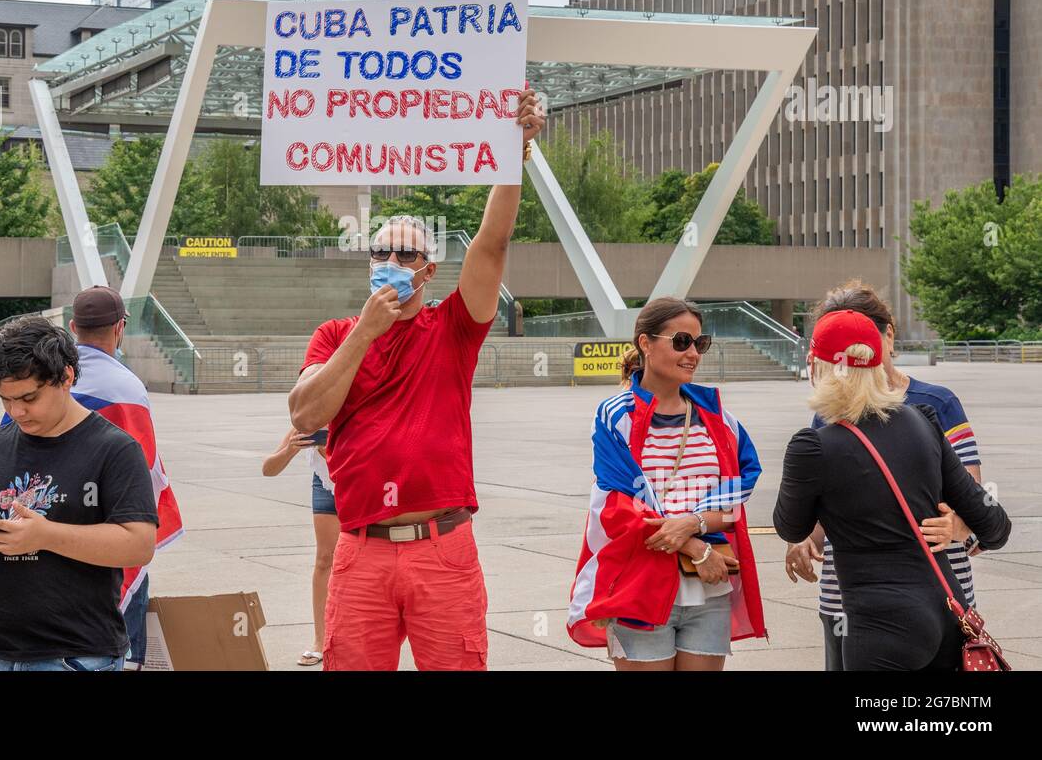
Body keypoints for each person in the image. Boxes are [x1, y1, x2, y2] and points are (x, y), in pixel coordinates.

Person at [288, 88, 545, 671]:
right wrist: (364, 334)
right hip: (361, 549)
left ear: (429, 269)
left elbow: (492, 244)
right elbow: (305, 414)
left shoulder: (452, 325)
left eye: (407, 257)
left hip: (441, 548)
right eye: (382, 253)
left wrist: (514, 150)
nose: (393, 265)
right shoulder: (335, 335)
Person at [773, 309, 1011, 671]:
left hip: (880, 625)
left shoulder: (813, 447)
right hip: (948, 612)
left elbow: (791, 527)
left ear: (819, 367)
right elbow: (995, 526)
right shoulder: (925, 422)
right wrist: (957, 525)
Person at [0, 316, 157, 671]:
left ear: (66, 378)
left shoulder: (115, 449)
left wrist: (45, 535)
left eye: (29, 397)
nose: (17, 411)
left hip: (76, 655)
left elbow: (139, 544)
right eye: (5, 399)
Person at [567, 297, 766, 671]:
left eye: (699, 343)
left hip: (708, 588)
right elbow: (618, 508)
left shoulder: (719, 419)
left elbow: (738, 496)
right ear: (645, 343)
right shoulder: (616, 416)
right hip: (641, 583)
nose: (692, 353)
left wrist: (695, 523)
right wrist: (696, 547)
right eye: (681, 342)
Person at [62, 285, 183, 667]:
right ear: (120, 328)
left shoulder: (45, 382)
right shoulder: (126, 387)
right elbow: (143, 471)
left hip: (49, 535)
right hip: (113, 539)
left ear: (72, 327)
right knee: (123, 640)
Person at [261, 426, 337, 667]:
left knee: (365, 557)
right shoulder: (306, 422)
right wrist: (291, 449)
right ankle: (320, 639)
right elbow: (268, 469)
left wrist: (330, 449)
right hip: (325, 483)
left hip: (360, 479)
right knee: (324, 559)